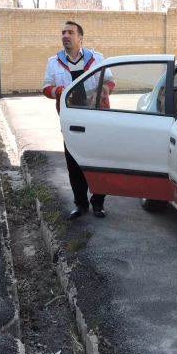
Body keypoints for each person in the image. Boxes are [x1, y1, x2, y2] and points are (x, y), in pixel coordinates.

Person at [42, 20, 113, 219]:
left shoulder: (97, 59)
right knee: (74, 163)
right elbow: (46, 88)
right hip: (71, 120)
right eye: (63, 32)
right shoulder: (53, 62)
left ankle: (98, 203)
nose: (65, 35)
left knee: (98, 160)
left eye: (70, 32)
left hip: (96, 119)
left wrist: (99, 94)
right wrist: (61, 91)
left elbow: (110, 82)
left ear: (80, 38)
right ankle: (80, 204)